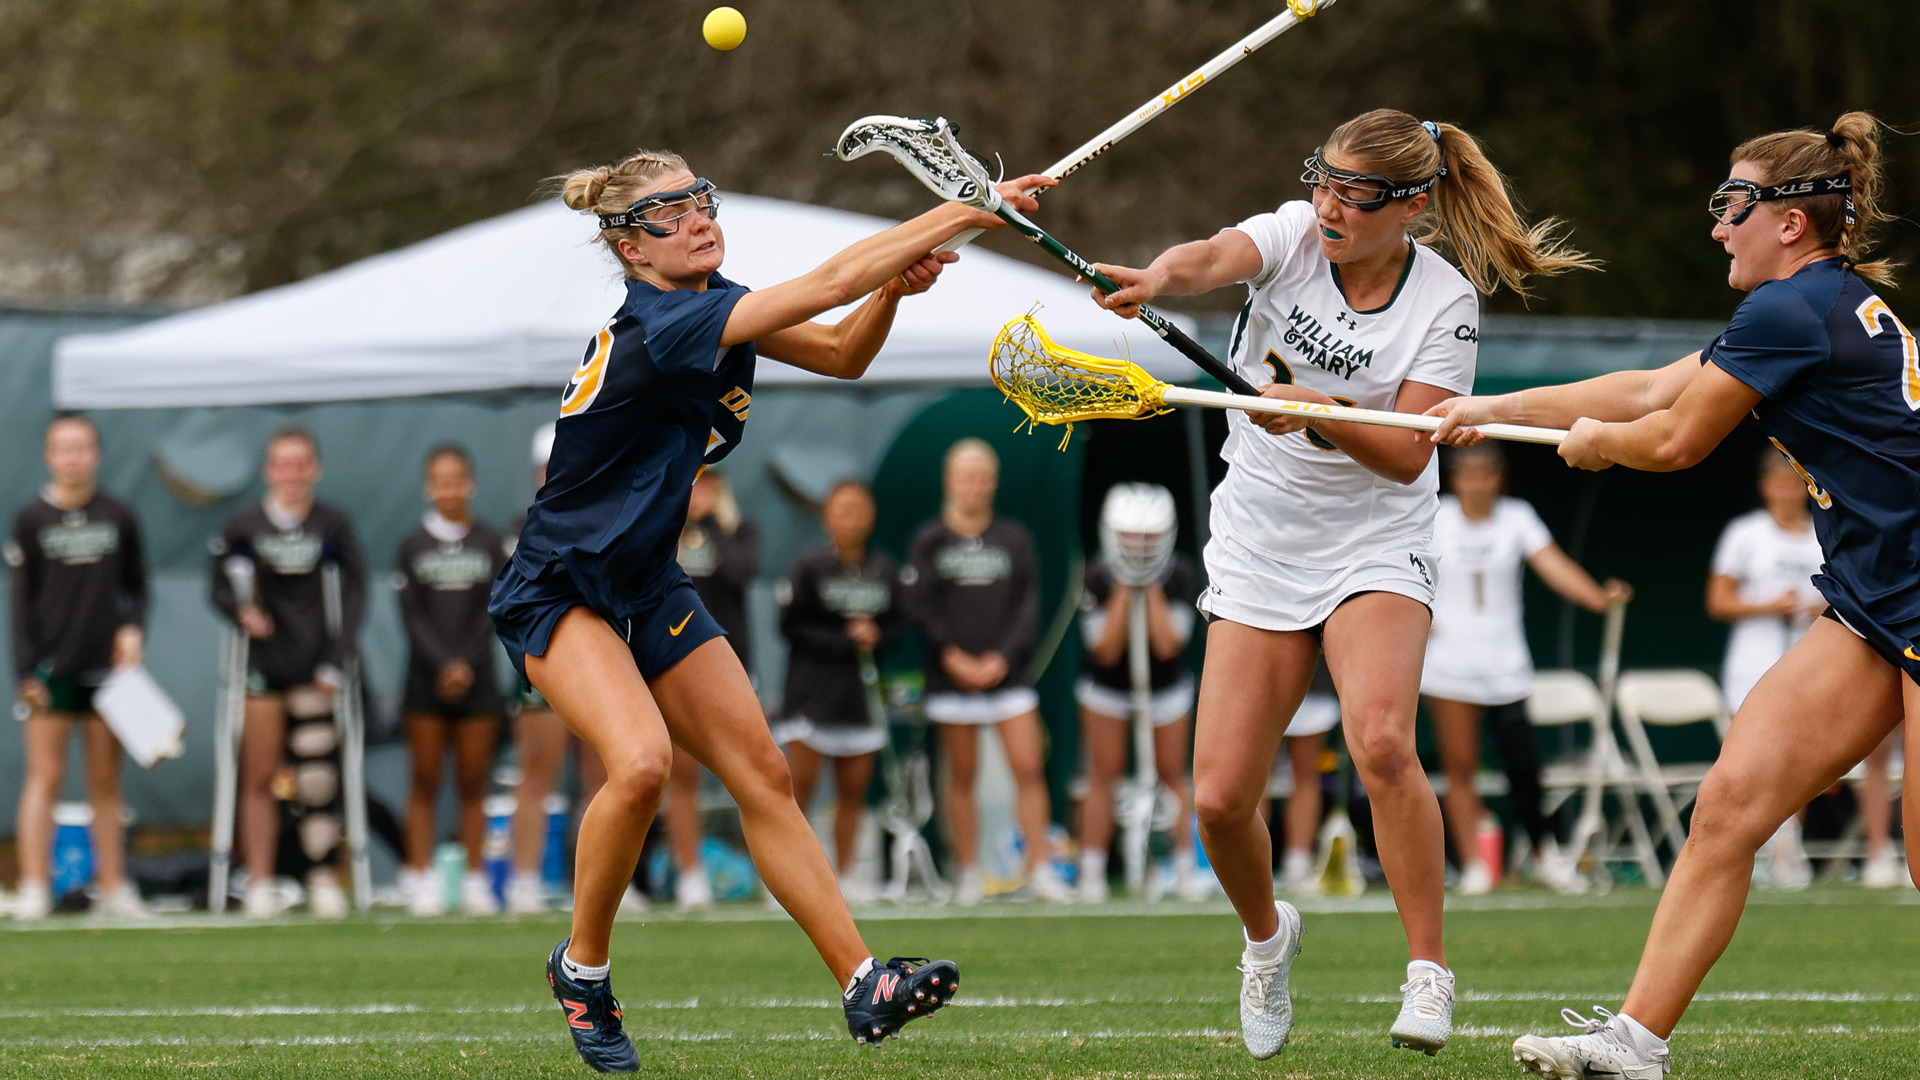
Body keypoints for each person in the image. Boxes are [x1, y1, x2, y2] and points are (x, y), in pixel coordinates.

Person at [489, 149, 1046, 1069]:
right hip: (560, 587)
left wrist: (895, 290)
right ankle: (582, 969)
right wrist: (965, 212)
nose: (699, 217)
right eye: (669, 213)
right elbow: (829, 279)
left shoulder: (715, 304)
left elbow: (839, 353)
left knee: (765, 777)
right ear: (632, 250)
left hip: (648, 584)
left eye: (700, 198)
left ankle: (864, 981)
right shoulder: (671, 321)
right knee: (639, 765)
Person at [1090, 107, 1595, 1058]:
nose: (1328, 206)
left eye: (1353, 196)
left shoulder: (1443, 302)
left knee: (1380, 744)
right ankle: (1268, 940)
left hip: (1374, 537)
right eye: (1321, 180)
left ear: (1407, 205)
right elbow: (1208, 255)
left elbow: (1407, 457)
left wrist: (1318, 411)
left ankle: (1430, 972)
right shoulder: (1292, 234)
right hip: (1259, 538)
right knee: (1218, 800)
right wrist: (1159, 276)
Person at [1428, 113, 1920, 1080]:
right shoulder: (1806, 305)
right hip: (1877, 597)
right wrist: (1493, 408)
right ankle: (1635, 1044)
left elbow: (1668, 439)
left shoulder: (1791, 309)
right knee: (1730, 805)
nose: (1716, 227)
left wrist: (1594, 447)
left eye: (1731, 205)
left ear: (1789, 220)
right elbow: (1655, 385)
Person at [1423, 444, 1630, 896]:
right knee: (1461, 768)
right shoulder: (1435, 516)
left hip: (1506, 661)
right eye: (1468, 475)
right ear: (1456, 480)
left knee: (1524, 767)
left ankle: (1545, 855)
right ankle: (1474, 865)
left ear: (1499, 478)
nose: (1477, 484)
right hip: (1449, 663)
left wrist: (1597, 597)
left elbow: (1552, 564)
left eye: (1485, 475)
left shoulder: (1517, 517)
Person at [210, 428, 366, 919]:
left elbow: (356, 593)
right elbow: (217, 587)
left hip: (315, 669)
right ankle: (259, 880)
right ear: (268, 470)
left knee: (317, 781)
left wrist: (337, 659)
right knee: (261, 776)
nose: (291, 473)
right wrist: (242, 614)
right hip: (264, 670)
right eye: (282, 464)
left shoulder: (333, 524)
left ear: (314, 469)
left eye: (301, 464)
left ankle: (322, 878)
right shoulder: (245, 526)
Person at [906, 438, 1068, 906]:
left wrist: (1001, 658)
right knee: (961, 775)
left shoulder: (1015, 539)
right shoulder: (928, 540)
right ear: (949, 482)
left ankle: (1039, 868)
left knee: (1028, 767)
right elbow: (923, 607)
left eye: (983, 477)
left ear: (993, 483)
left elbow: (1028, 605)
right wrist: (953, 657)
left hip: (1008, 677)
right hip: (950, 678)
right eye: (965, 477)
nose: (974, 486)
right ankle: (969, 873)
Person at [7, 416, 150, 920]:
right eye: (62, 448)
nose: (72, 457)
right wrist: (25, 671)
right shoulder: (31, 519)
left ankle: (114, 889)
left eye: (81, 448)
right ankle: (33, 888)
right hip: (50, 672)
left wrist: (131, 630)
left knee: (105, 782)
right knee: (44, 776)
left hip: (107, 674)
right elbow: (21, 604)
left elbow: (139, 588)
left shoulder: (119, 515)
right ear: (49, 455)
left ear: (96, 453)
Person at [502, 425, 639, 917]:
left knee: (604, 777)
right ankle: (523, 881)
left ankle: (605, 889)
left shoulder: (611, 518)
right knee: (536, 774)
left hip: (602, 663)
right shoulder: (525, 525)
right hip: (547, 662)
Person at [1073, 483, 1205, 903]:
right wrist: (1123, 586)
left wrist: (1146, 587)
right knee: (1103, 773)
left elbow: (1169, 643)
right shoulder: (1096, 574)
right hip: (1107, 687)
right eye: (1131, 536)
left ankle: (1183, 870)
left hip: (1165, 685)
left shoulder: (1180, 573)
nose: (1139, 545)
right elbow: (1105, 648)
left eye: (1148, 537)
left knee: (1172, 774)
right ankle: (1091, 872)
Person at [773, 480, 904, 902]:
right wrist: (845, 638)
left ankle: (845, 876)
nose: (851, 519)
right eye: (842, 510)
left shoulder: (885, 568)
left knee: (853, 792)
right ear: (827, 517)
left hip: (857, 699)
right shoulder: (807, 568)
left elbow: (900, 625)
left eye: (859, 511)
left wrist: (877, 636)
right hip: (811, 696)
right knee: (798, 791)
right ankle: (788, 881)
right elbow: (791, 626)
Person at [1705, 448, 1825, 892]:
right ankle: (1753, 850)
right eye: (1777, 483)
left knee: (1797, 762)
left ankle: (1786, 851)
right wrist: (1768, 606)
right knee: (1751, 763)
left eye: (1794, 483)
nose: (1786, 492)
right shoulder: (1745, 534)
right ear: (1764, 487)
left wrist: (1820, 608)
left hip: (1805, 663)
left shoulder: (1821, 535)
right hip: (1750, 665)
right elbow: (1719, 601)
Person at [394, 446, 507, 916]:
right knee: (424, 781)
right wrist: (443, 664)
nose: (448, 489)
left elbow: (495, 610)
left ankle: (477, 878)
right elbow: (412, 617)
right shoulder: (412, 546)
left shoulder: (490, 542)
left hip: (478, 681)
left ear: (470, 483)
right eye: (439, 480)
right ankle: (420, 877)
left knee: (473, 782)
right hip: (426, 681)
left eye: (456, 479)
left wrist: (466, 663)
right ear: (427, 486)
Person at [668, 469, 762, 909]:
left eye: (708, 484)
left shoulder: (740, 530)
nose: (699, 493)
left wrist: (714, 525)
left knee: (753, 775)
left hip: (730, 668)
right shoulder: (663, 528)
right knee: (682, 778)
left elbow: (742, 574)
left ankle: (772, 877)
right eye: (693, 484)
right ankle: (690, 875)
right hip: (673, 667)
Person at [1273, 661, 1338, 896]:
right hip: (1259, 671)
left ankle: (1297, 868)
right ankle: (1244, 869)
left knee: (1306, 775)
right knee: (1253, 779)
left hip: (1315, 677)